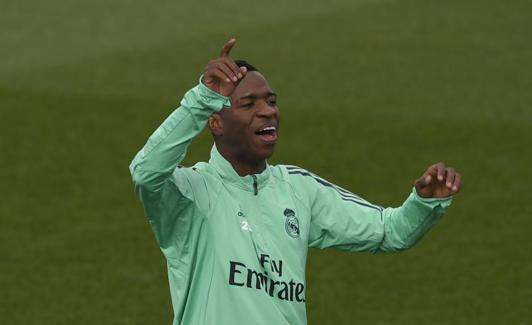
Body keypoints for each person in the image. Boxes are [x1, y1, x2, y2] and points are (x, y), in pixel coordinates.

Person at [129, 38, 462, 325]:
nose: (267, 111)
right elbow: (146, 172)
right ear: (215, 122)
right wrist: (200, 101)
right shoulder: (189, 194)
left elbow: (389, 231)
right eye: (249, 104)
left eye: (271, 101)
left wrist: (424, 204)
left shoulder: (298, 190)